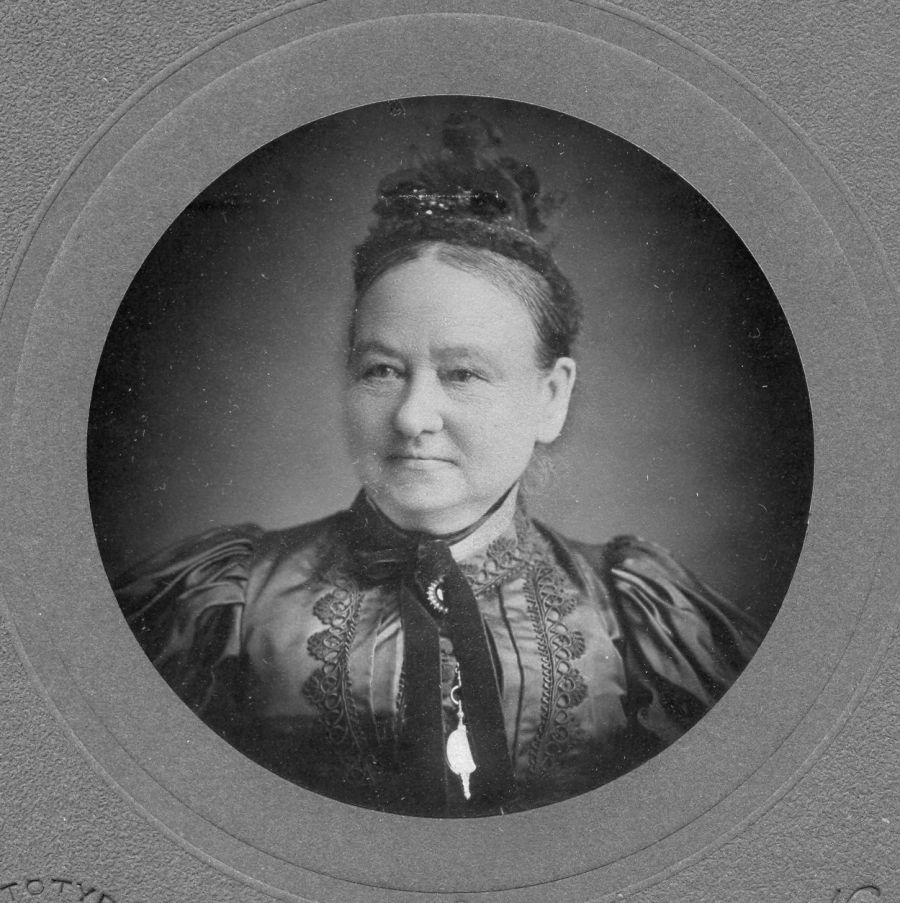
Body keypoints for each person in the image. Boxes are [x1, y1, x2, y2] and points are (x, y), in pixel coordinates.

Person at [116, 114, 762, 817]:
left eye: (462, 374)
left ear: (551, 397)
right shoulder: (229, 605)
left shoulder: (634, 617)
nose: (412, 415)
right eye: (382, 370)